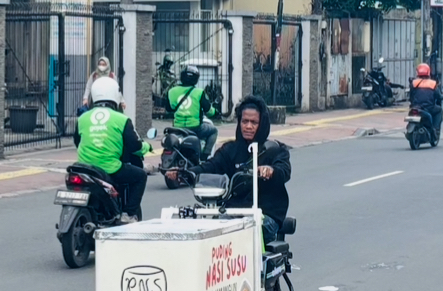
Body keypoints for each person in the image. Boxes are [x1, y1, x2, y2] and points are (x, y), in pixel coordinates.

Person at [170, 95, 290, 245]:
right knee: (213, 233)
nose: (248, 126)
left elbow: (284, 170)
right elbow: (211, 166)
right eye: (245, 121)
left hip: (266, 214)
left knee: (246, 232)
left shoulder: (275, 149)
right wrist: (186, 173)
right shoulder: (230, 149)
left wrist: (271, 170)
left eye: (254, 122)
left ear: (262, 124)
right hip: (234, 212)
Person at [73, 77, 149, 222]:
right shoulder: (121, 119)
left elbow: (77, 141)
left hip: (84, 168)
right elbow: (134, 145)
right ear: (115, 95)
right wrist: (147, 147)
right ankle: (129, 214)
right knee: (140, 176)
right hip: (110, 169)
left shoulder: (82, 118)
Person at [166, 65, 219, 159]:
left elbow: (169, 108)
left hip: (177, 128)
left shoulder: (172, 91)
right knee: (213, 131)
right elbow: (208, 110)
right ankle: (204, 157)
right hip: (195, 128)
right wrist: (216, 113)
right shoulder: (199, 92)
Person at [408, 64, 442, 134]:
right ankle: (436, 129)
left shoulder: (414, 83)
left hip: (416, 107)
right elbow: (438, 96)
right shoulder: (433, 83)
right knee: (439, 110)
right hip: (428, 107)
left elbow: (411, 95)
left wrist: (412, 104)